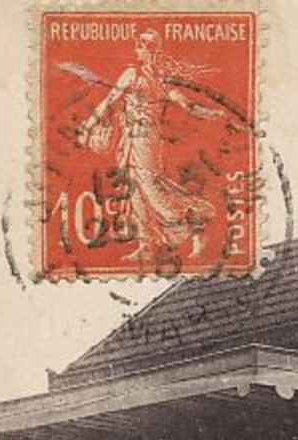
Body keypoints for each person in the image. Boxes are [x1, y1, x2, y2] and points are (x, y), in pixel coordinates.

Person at [73, 29, 226, 265]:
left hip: (146, 140)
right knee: (134, 189)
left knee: (152, 190)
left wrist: (213, 113)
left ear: (151, 49)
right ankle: (146, 244)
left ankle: (194, 224)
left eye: (143, 45)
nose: (139, 49)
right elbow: (110, 101)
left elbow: (186, 104)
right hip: (131, 139)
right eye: (139, 45)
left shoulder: (154, 78)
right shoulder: (136, 75)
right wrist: (88, 125)